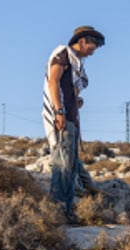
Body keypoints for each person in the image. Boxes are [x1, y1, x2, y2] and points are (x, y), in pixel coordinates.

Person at [43, 25, 105, 217]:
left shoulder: (77, 63)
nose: (94, 47)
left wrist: (74, 101)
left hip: (71, 117)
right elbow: (53, 81)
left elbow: (68, 88)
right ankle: (58, 210)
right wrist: (59, 110)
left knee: (69, 165)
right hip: (62, 117)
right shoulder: (63, 53)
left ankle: (67, 210)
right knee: (62, 165)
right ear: (82, 40)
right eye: (92, 42)